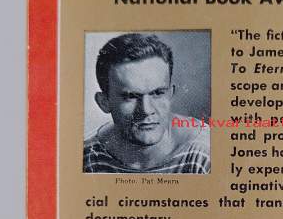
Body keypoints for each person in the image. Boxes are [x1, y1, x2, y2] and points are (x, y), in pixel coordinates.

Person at [83, 33, 210, 174]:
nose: (146, 110)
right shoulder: (87, 157)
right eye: (130, 96)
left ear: (170, 94)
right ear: (104, 102)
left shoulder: (205, 154)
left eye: (158, 93)